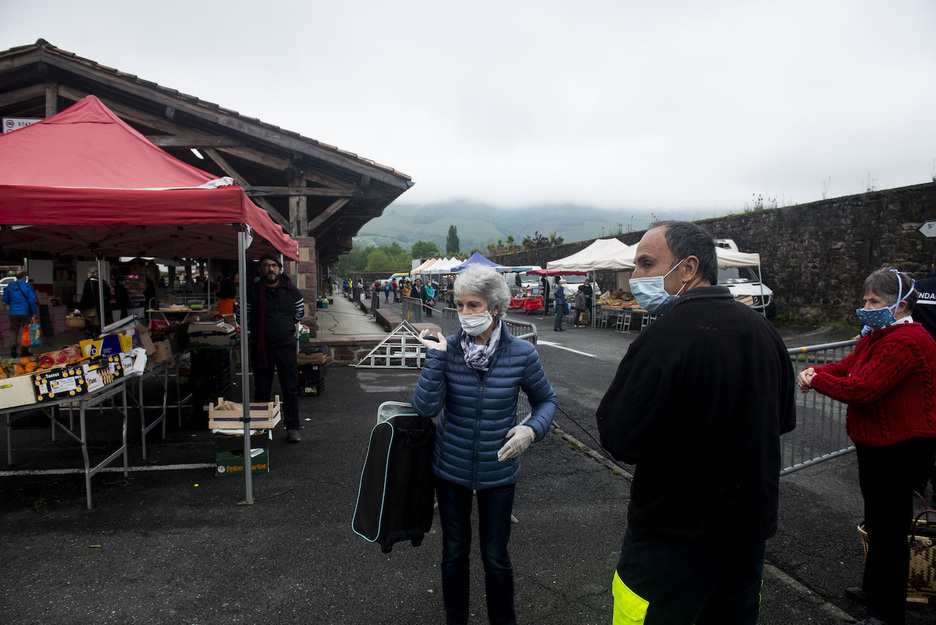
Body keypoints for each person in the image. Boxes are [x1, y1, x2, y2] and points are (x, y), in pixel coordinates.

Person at [596, 221, 796, 625]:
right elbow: (782, 419)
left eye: (647, 264)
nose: (636, 278)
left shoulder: (663, 338)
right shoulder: (764, 331)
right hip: (747, 534)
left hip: (673, 537)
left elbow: (619, 436)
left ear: (688, 268)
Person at [412, 264, 557, 625]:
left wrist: (531, 431)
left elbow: (547, 401)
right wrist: (435, 358)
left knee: (496, 556)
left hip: (499, 468)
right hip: (451, 468)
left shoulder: (521, 354)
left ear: (494, 307)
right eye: (459, 305)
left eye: (472, 305)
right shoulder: (449, 351)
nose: (464, 314)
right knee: (454, 553)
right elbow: (426, 408)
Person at [797, 268, 936, 625]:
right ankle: (874, 589)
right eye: (866, 300)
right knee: (877, 521)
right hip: (877, 444)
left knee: (891, 531)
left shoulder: (907, 341)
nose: (866, 307)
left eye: (874, 301)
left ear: (901, 304)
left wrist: (816, 380)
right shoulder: (879, 335)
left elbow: (863, 387)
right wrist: (817, 371)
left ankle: (888, 613)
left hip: (900, 447)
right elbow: (849, 367)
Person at [246, 253, 305, 443]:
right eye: (266, 266)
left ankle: (293, 427)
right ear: (260, 270)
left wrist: (285, 326)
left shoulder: (291, 290)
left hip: (286, 347)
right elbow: (243, 317)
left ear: (280, 269)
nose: (270, 269)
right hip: (262, 349)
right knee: (262, 389)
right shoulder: (252, 292)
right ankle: (260, 428)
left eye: (273, 265)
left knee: (290, 388)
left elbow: (299, 312)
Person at [3, 271, 38, 358]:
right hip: (25, 312)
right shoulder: (28, 286)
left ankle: (13, 349)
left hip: (13, 312)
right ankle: (24, 350)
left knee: (13, 330)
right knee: (26, 331)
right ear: (24, 276)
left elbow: (5, 298)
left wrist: (12, 305)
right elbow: (32, 301)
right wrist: (34, 312)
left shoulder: (10, 286)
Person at [78, 267, 113, 336]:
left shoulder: (89, 282)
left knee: (92, 332)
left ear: (90, 273)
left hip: (93, 312)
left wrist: (78, 308)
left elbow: (85, 297)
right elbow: (109, 296)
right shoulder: (103, 282)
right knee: (104, 332)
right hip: (104, 312)